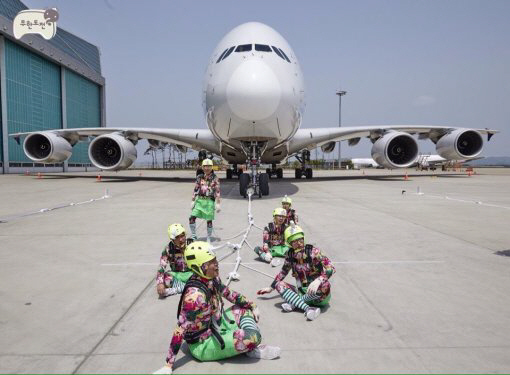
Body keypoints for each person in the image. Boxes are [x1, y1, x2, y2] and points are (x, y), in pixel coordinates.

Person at [154, 242, 280, 374]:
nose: (217, 263)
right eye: (212, 261)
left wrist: (252, 305)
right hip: (203, 343)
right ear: (200, 267)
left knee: (244, 309)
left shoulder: (211, 278)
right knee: (253, 336)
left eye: (215, 259)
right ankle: (250, 348)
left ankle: (244, 345)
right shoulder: (195, 297)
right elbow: (180, 329)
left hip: (216, 324)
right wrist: (168, 365)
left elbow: (228, 293)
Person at [257, 224, 335, 321]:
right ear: (289, 243)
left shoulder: (314, 252)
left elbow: (331, 267)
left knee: (326, 284)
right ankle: (308, 309)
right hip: (302, 291)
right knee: (279, 285)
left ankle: (295, 303)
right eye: (294, 241)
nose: (298, 243)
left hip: (318, 295)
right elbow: (283, 272)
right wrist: (271, 288)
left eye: (300, 239)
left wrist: (319, 280)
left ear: (303, 238)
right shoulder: (290, 256)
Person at [156, 224, 194, 298]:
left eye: (182, 235)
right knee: (166, 278)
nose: (181, 239)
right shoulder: (168, 249)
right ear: (172, 239)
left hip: (191, 274)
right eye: (177, 237)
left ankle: (176, 290)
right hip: (177, 275)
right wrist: (160, 283)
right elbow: (161, 267)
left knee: (202, 278)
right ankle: (188, 287)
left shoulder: (192, 245)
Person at [189, 159, 221, 243]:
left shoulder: (215, 178)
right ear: (202, 167)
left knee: (209, 220)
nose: (207, 168)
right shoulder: (199, 177)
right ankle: (193, 236)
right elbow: (196, 189)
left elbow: (217, 191)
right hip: (199, 201)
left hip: (209, 201)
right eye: (205, 166)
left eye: (209, 166)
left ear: (211, 167)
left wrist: (218, 203)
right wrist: (193, 200)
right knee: (192, 218)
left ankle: (209, 237)